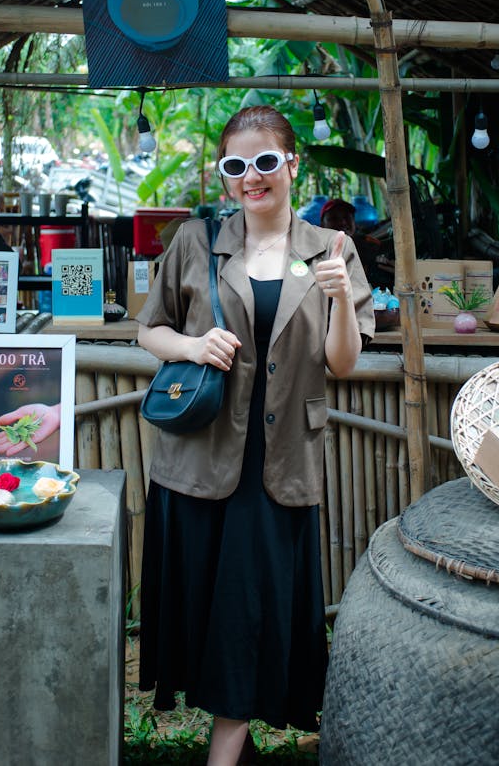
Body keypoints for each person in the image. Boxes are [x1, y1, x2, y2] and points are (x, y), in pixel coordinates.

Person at [136, 106, 374, 766]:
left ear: (293, 164)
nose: (252, 177)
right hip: (200, 456)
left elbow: (343, 361)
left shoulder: (330, 248)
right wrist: (192, 342)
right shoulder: (194, 239)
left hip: (280, 464)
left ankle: (223, 751)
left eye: (266, 161)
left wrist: (338, 300)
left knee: (247, 613)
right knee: (211, 611)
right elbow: (148, 329)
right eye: (236, 165)